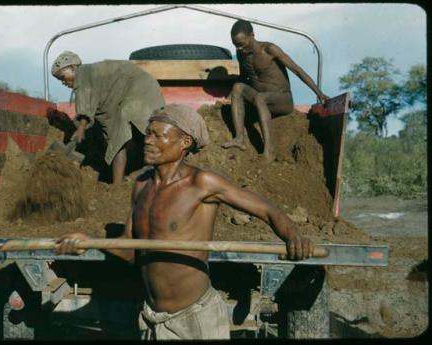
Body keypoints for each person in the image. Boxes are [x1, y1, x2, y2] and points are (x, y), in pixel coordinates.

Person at [55, 104, 315, 340]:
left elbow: (267, 209)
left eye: (159, 135)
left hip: (196, 319)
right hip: (151, 319)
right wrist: (89, 243)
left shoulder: (201, 183)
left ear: (184, 142)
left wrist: (293, 236)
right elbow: (131, 250)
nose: (148, 141)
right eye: (148, 133)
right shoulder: (141, 185)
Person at [51, 51, 165, 184]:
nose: (63, 82)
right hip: (134, 92)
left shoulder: (82, 75)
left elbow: (85, 105)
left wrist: (81, 128)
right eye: (60, 80)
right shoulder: (92, 76)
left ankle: (117, 187)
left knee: (119, 139)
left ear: (73, 68)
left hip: (139, 91)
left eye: (63, 77)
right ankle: (118, 183)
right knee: (116, 139)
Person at [222, 20, 330, 161]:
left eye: (242, 44)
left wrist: (319, 93)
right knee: (238, 87)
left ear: (252, 35)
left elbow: (297, 71)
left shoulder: (269, 49)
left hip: (282, 100)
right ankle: (238, 138)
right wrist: (234, 96)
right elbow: (244, 77)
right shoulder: (241, 54)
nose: (240, 48)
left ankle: (268, 152)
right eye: (236, 45)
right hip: (260, 99)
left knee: (260, 98)